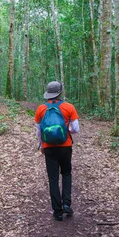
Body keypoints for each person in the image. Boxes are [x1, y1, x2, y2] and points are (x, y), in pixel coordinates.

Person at [35, 81, 80, 222]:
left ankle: (57, 211)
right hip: (65, 146)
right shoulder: (69, 107)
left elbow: (38, 130)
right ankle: (66, 203)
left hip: (49, 148)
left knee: (53, 179)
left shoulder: (41, 109)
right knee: (66, 174)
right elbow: (76, 129)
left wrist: (41, 145)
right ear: (60, 93)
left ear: (48, 94)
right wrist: (67, 130)